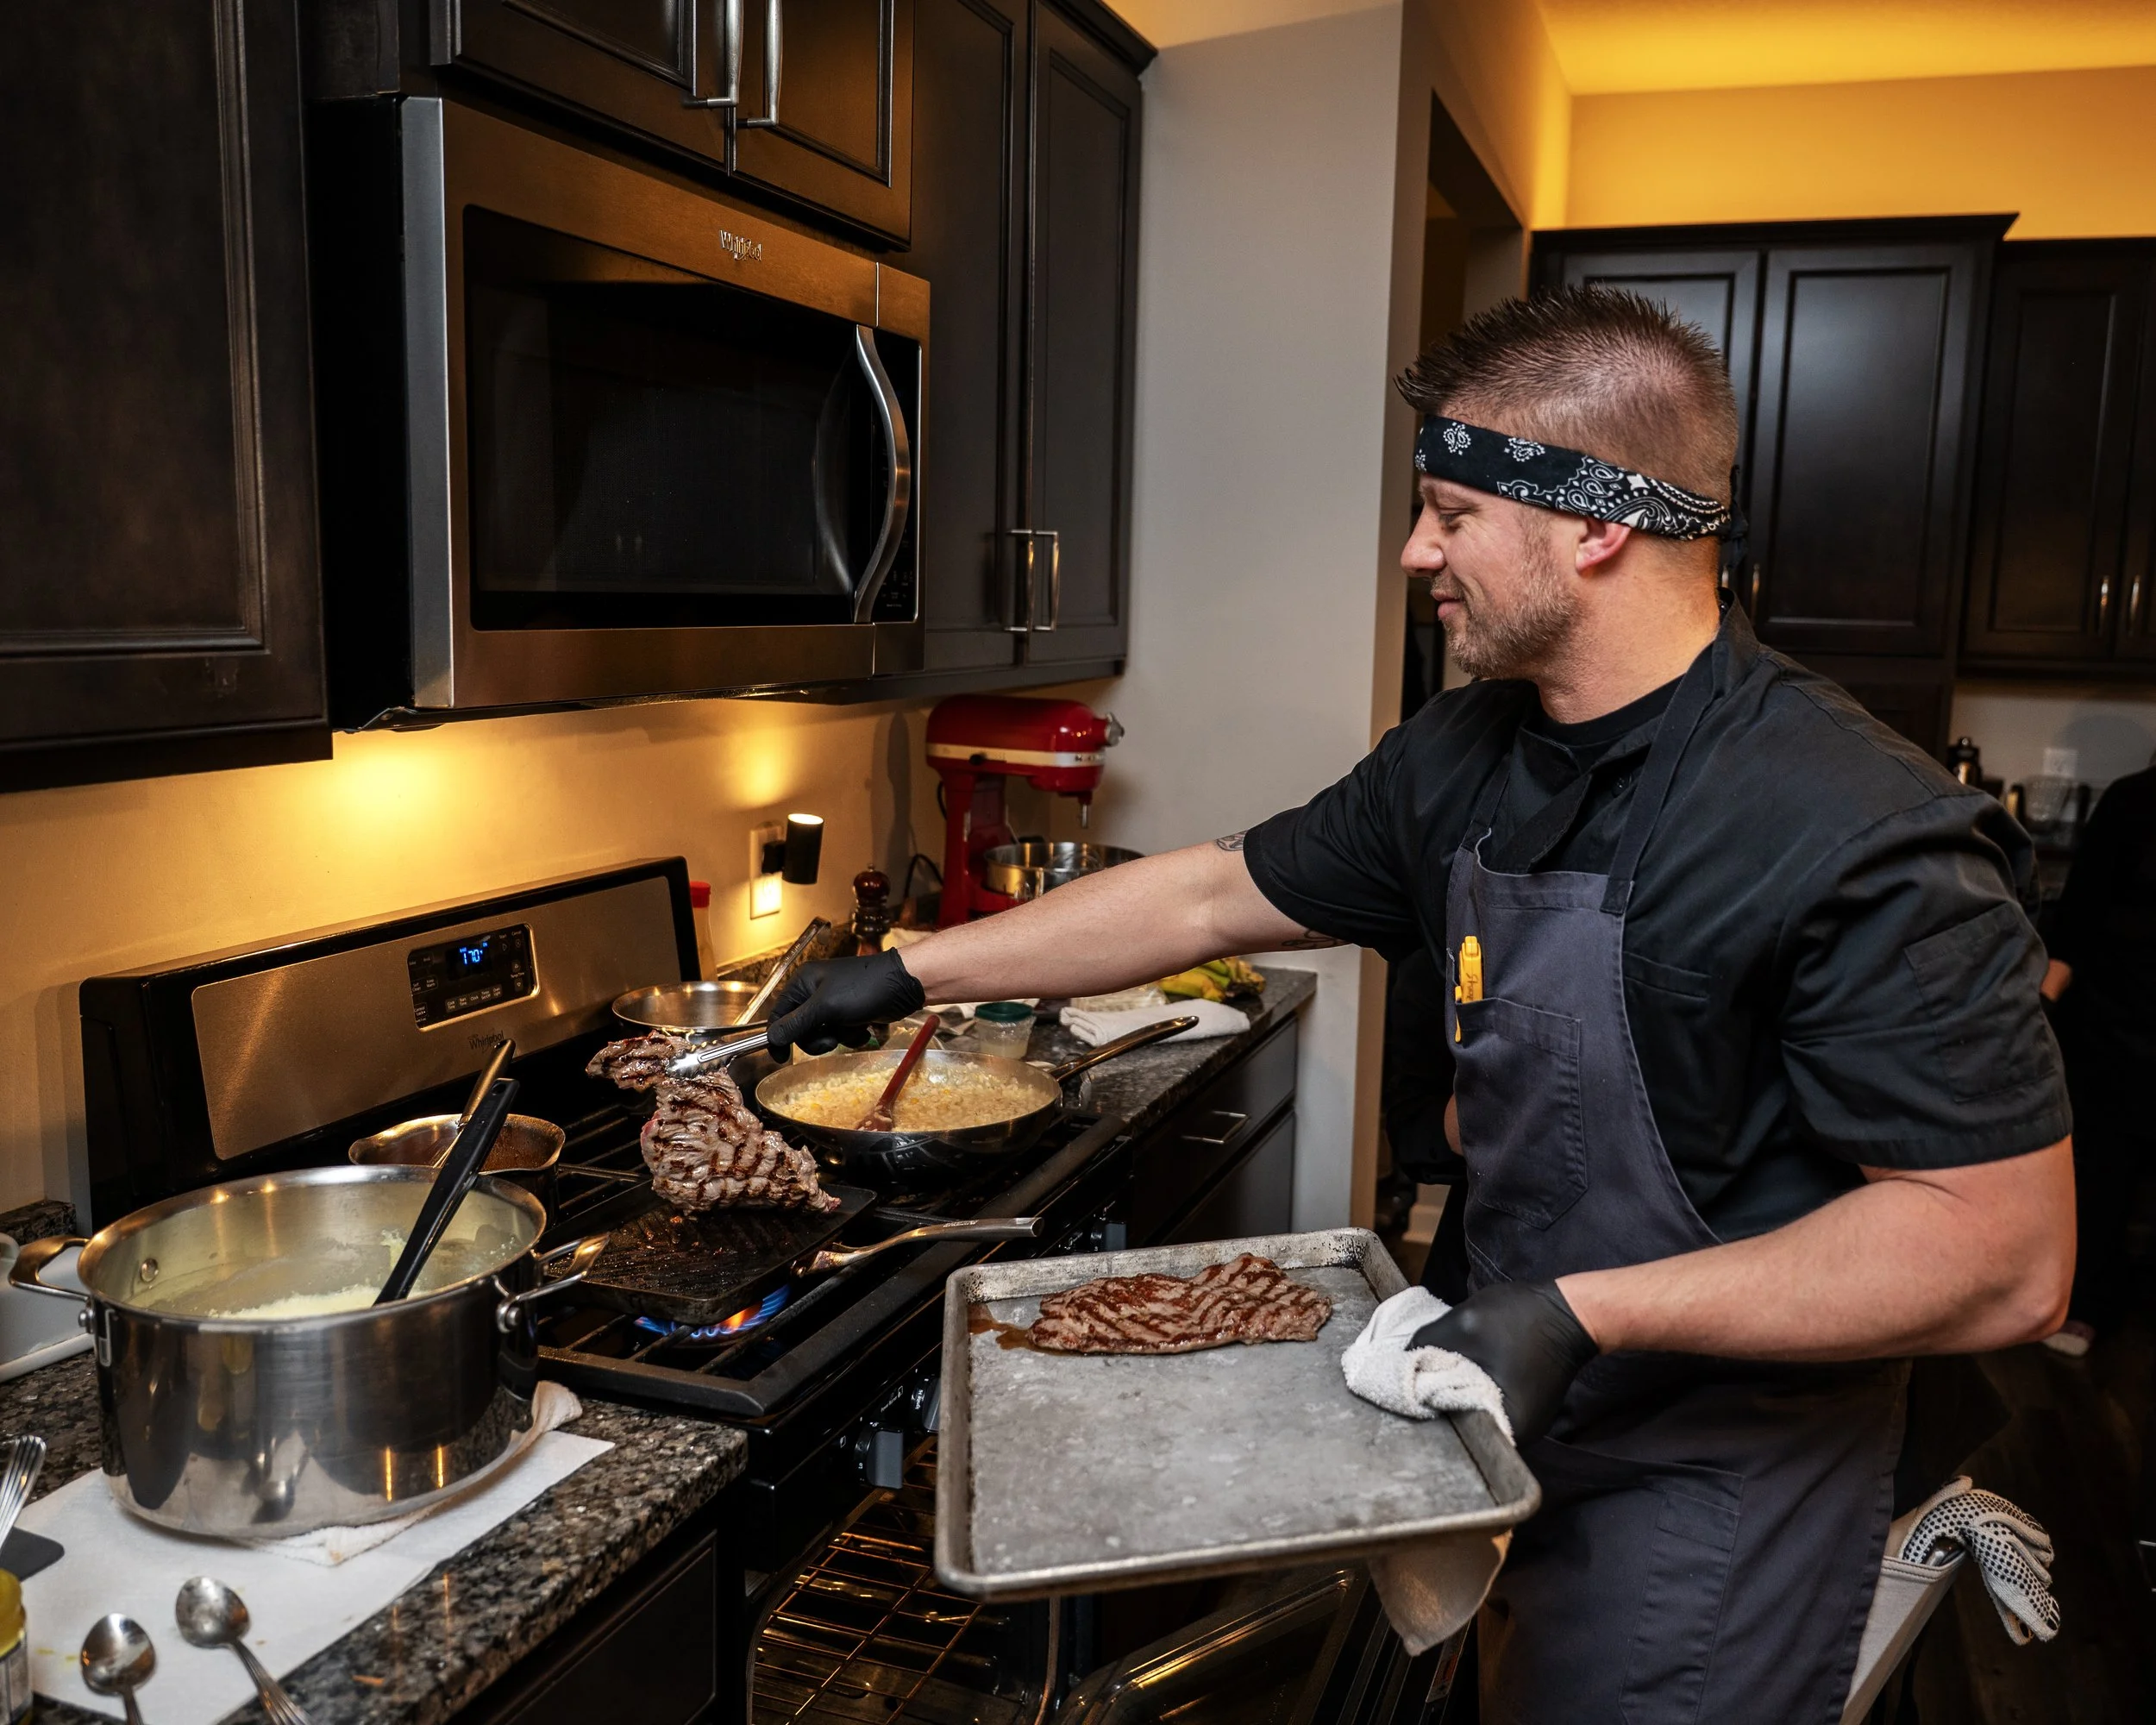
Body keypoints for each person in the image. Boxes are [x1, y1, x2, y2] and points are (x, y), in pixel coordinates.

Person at [768, 289, 2076, 1722]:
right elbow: (1212, 894)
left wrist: (1579, 1316)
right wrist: (913, 972)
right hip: (1499, 1398)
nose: (1414, 553)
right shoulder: (1464, 752)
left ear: (1598, 524)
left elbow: (2003, 1254)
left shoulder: (1851, 827)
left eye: (1450, 513)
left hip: (1720, 1474)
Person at [2040, 760, 2156, 1356]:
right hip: (2114, 1021)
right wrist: (2040, 1004)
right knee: (2102, 1173)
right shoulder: (2132, 800)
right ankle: (2085, 1304)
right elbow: (2080, 915)